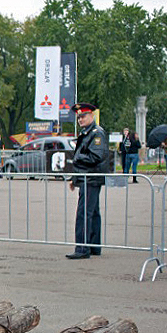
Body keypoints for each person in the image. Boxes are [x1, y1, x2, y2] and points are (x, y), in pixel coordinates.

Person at [66, 103, 109, 259]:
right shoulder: (88, 133)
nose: (80, 119)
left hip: (91, 178)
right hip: (88, 177)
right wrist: (74, 178)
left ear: (91, 116)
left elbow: (96, 156)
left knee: (84, 214)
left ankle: (82, 248)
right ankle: (93, 246)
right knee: (93, 212)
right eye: (79, 117)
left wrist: (77, 158)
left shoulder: (96, 133)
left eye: (83, 116)